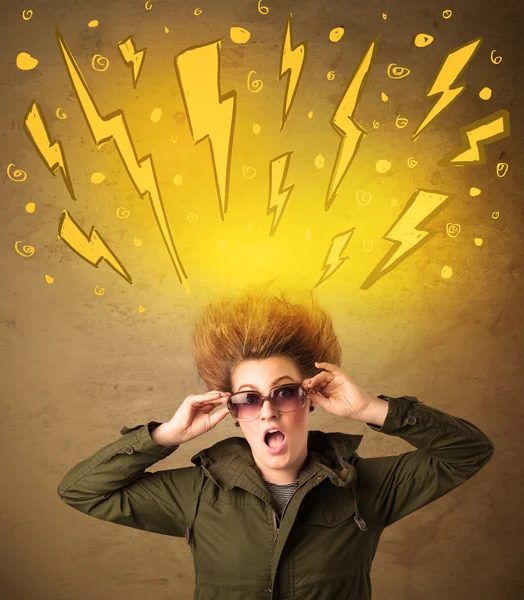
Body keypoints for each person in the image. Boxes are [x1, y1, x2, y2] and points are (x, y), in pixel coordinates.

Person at [57, 288, 495, 600]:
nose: (267, 411)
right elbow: (80, 489)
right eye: (248, 399)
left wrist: (368, 407)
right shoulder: (195, 495)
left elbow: (470, 450)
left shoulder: (368, 488)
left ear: (309, 399)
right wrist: (166, 435)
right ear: (234, 413)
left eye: (284, 392)